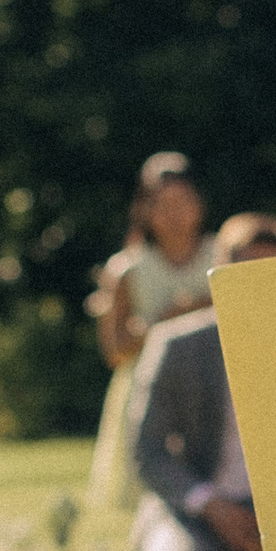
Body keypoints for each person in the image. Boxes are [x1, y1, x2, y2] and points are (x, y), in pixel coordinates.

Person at [127, 212, 276, 551]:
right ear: (219, 277)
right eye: (247, 274)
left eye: (273, 274)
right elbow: (144, 451)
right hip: (199, 508)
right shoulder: (177, 345)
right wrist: (210, 504)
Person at [86, 153, 215, 521]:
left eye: (183, 203)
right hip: (151, 391)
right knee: (151, 497)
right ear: (145, 210)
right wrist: (164, 322)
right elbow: (114, 351)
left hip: (212, 391)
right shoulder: (127, 268)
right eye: (162, 205)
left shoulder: (221, 254)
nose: (174, 215)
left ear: (199, 204)